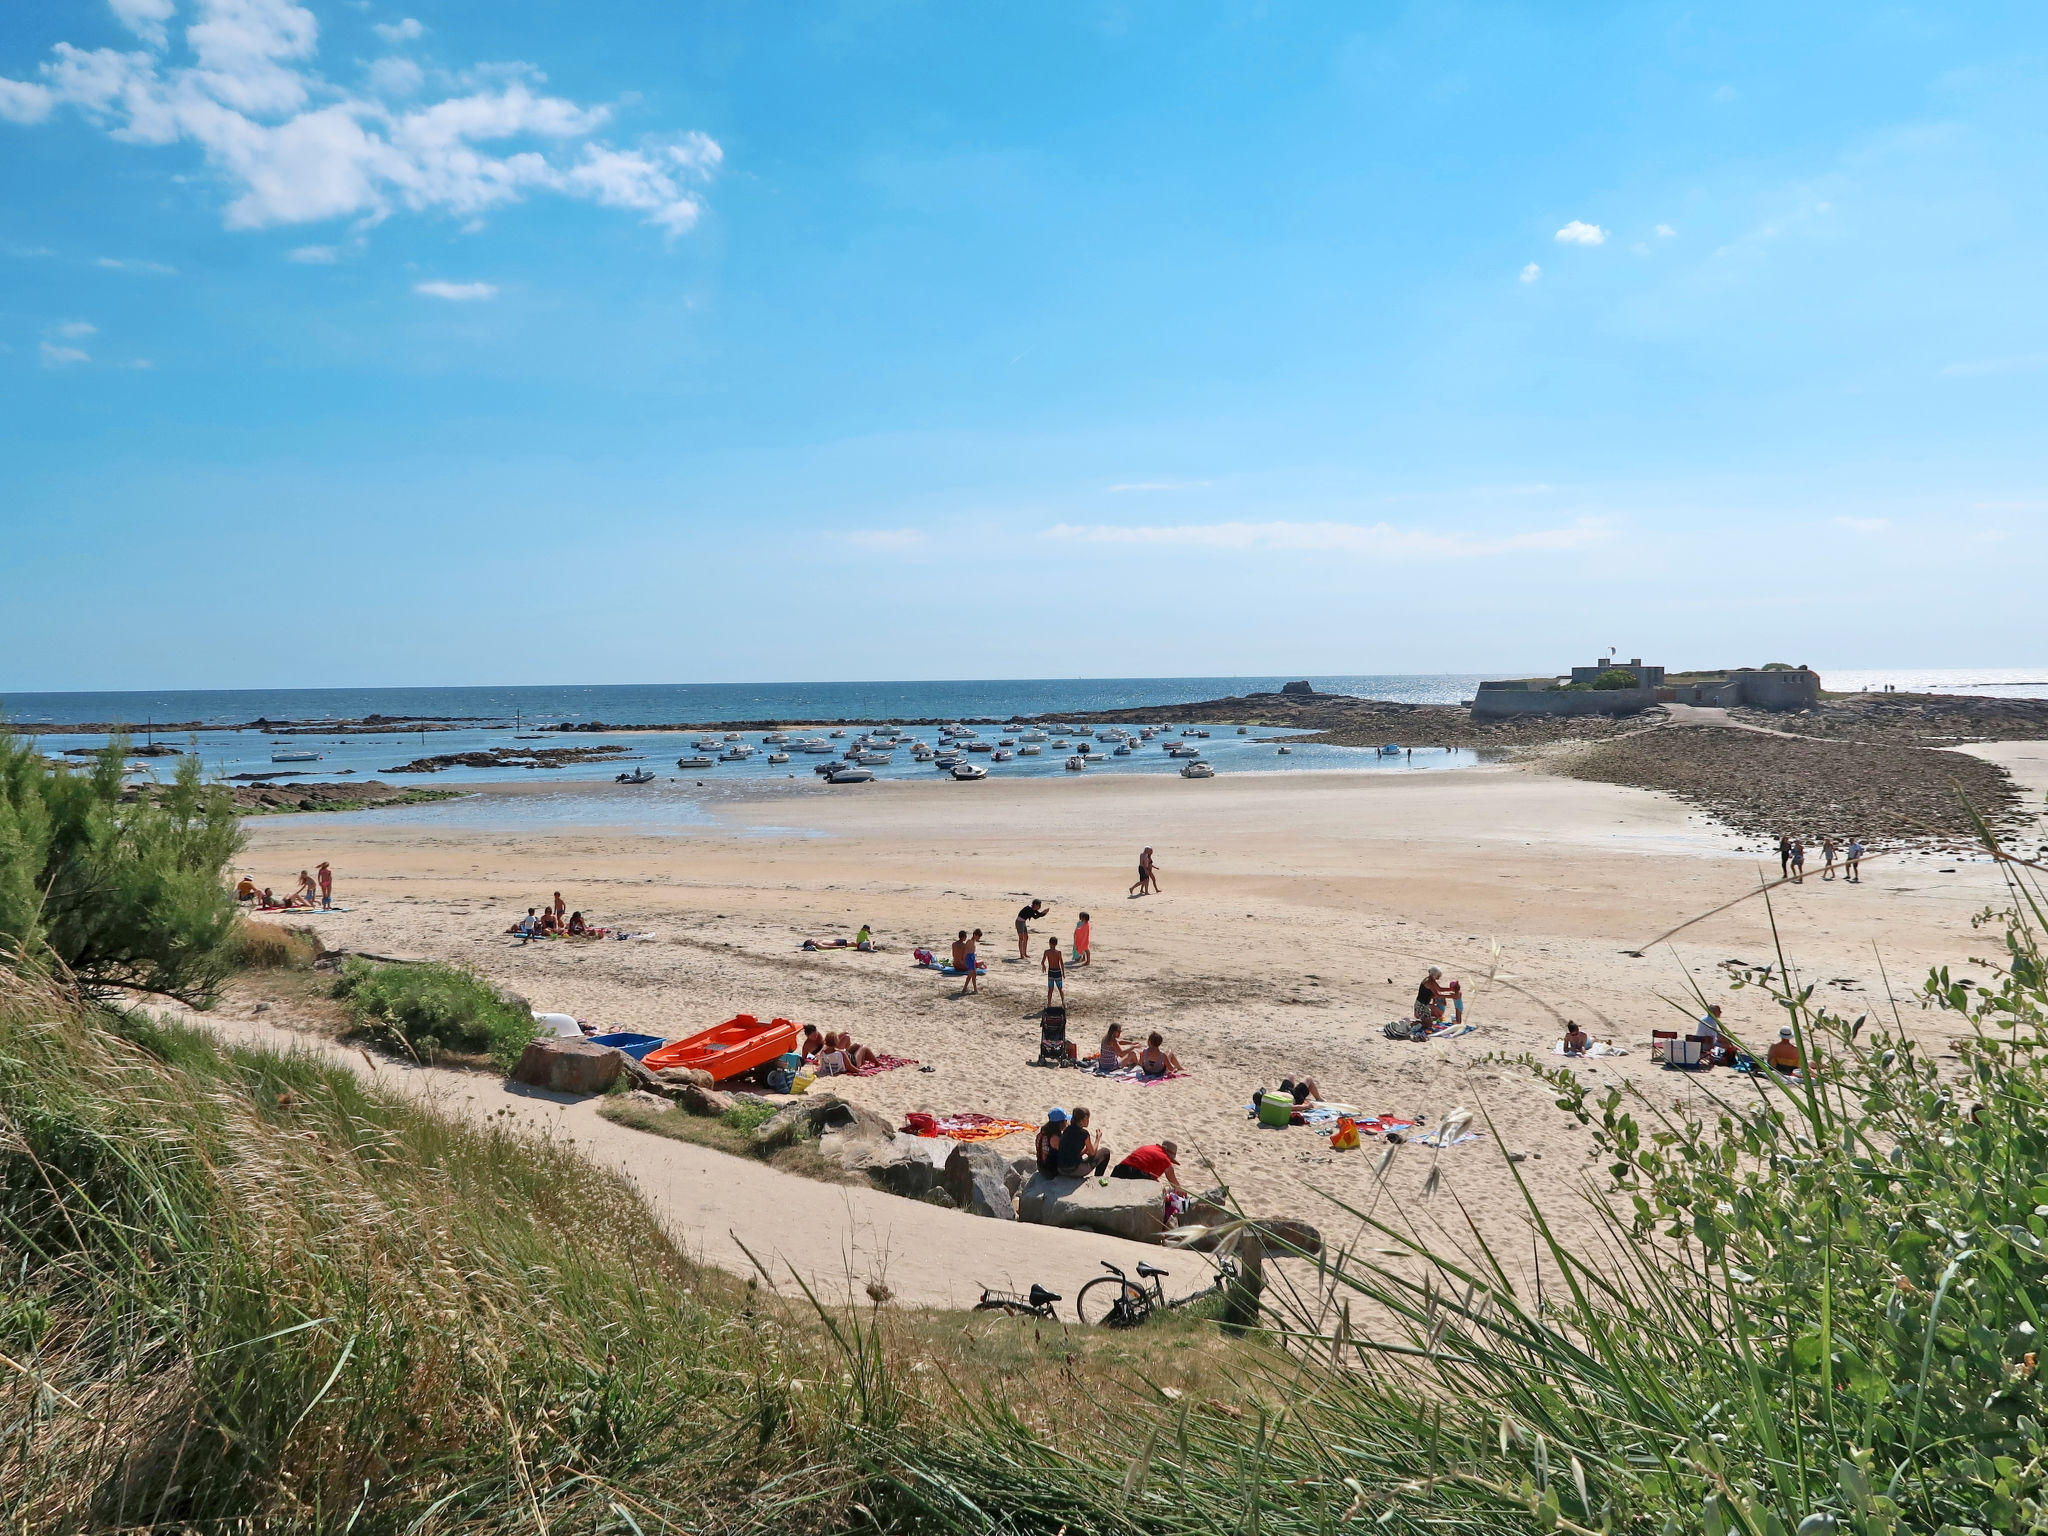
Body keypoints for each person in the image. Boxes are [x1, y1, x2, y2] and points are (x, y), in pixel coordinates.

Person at [1111, 1140, 1187, 1194]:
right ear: (1170, 1157)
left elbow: (1143, 1168)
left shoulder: (1149, 1148)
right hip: (1134, 1173)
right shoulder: (1165, 1159)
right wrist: (1182, 1192)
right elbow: (1174, 1183)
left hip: (1119, 1169)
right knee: (1159, 1191)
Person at [1056, 1106, 1111, 1177]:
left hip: (1061, 1169)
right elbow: (1092, 1153)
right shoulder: (1084, 1133)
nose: (1088, 1121)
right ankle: (1098, 1177)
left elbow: (1071, 1152)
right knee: (1105, 1152)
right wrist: (1098, 1138)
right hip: (1073, 1170)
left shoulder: (1067, 1129)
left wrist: (1084, 1151)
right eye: (1087, 1119)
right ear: (1083, 1119)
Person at [1035, 1108, 1069, 1176]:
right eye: (1065, 1120)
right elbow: (1065, 1154)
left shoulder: (1043, 1132)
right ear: (1060, 1123)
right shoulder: (1055, 1138)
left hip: (1040, 1166)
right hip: (1050, 1171)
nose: (1067, 1122)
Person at [1042, 936, 1066, 1005]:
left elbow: (1042, 962)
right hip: (1057, 971)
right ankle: (1063, 1003)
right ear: (1056, 944)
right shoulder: (1058, 952)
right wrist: (1063, 973)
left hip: (1051, 972)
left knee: (1050, 989)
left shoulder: (1046, 952)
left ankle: (1049, 1004)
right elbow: (1061, 963)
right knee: (1060, 989)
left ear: (1049, 943)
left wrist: (1043, 966)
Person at [962, 929, 981, 994]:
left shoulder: (973, 942)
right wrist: (964, 960)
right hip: (969, 958)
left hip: (972, 958)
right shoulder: (969, 941)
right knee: (973, 974)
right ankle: (975, 989)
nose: (978, 938)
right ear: (975, 935)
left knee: (971, 974)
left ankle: (965, 988)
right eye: (978, 936)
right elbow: (965, 951)